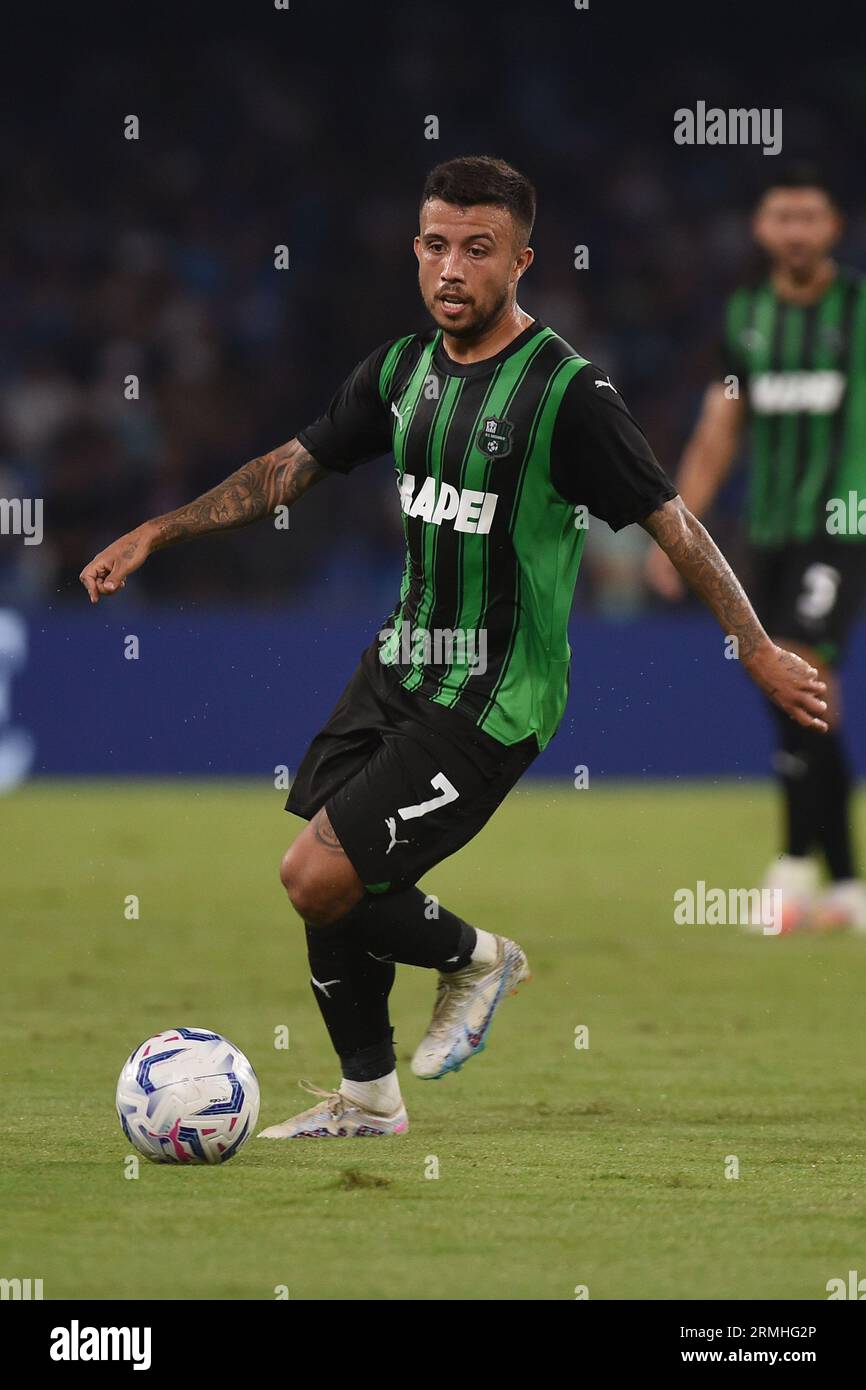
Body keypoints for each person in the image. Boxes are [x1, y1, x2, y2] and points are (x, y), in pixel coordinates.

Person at [81, 156, 827, 1138]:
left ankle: (478, 958)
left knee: (316, 875)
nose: (451, 267)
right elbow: (287, 469)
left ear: (519, 261)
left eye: (477, 249)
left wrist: (757, 645)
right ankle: (367, 1100)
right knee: (330, 887)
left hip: (494, 698)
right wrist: (158, 530)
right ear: (414, 251)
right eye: (435, 244)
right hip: (397, 666)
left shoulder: (565, 394)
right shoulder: (398, 372)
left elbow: (672, 523)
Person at [647, 165, 866, 933]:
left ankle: (794, 866)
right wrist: (678, 528)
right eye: (783, 216)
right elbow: (721, 426)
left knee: (802, 666)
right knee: (788, 687)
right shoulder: (745, 318)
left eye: (812, 216)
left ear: (834, 227)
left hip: (843, 525)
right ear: (762, 230)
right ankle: (842, 882)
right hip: (765, 534)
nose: (797, 230)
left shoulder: (859, 308)